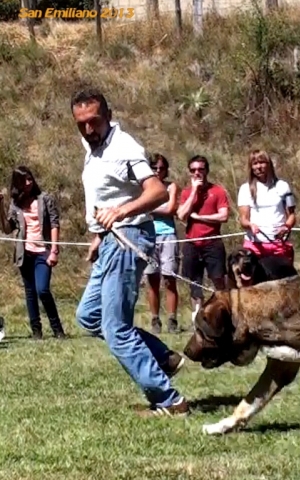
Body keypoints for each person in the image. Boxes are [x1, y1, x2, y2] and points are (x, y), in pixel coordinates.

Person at [71, 88, 189, 416]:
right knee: (89, 316)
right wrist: (97, 236)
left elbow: (157, 192)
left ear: (107, 116)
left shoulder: (124, 148)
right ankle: (162, 357)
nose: (88, 129)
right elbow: (104, 194)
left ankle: (170, 400)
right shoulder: (93, 146)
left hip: (128, 238)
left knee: (116, 328)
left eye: (94, 121)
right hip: (110, 239)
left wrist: (120, 214)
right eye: (81, 123)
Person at [0, 167, 66, 340]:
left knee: (42, 290)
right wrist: (0, 206)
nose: (29, 183)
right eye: (24, 181)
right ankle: (36, 331)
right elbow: (7, 229)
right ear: (18, 184)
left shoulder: (45, 199)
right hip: (25, 253)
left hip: (43, 252)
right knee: (30, 292)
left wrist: (54, 250)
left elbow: (54, 223)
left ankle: (57, 329)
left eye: (30, 179)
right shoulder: (16, 204)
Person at [177, 155, 229, 316]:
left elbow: (223, 216)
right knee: (194, 282)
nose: (197, 173)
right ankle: (197, 317)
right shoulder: (186, 193)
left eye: (200, 169)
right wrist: (194, 192)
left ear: (207, 170)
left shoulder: (217, 191)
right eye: (193, 170)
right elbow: (181, 215)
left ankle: (223, 314)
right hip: (192, 243)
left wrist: (200, 218)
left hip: (212, 242)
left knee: (219, 280)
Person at [237, 150, 296, 264]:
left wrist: (286, 226)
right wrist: (250, 225)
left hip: (279, 245)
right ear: (251, 167)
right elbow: (243, 219)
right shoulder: (245, 189)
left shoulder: (283, 186)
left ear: (269, 164)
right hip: (255, 246)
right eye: (255, 164)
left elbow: (292, 215)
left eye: (262, 162)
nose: (259, 167)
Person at [144, 153, 181, 334]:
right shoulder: (143, 187)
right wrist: (155, 208)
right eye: (154, 168)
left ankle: (172, 318)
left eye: (161, 168)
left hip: (168, 236)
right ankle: (154, 318)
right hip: (148, 236)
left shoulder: (171, 186)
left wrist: (149, 207)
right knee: (151, 279)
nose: (158, 171)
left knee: (169, 278)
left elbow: (171, 209)